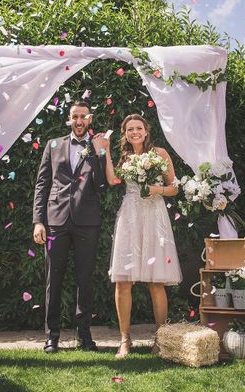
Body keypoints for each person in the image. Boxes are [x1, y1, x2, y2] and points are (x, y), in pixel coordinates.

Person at [93, 114, 182, 359]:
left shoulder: (160, 153)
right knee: (123, 281)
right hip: (130, 216)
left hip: (154, 216)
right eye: (130, 129)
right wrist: (107, 152)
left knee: (156, 282)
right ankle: (124, 340)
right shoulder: (124, 156)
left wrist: (157, 189)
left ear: (146, 130)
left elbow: (174, 187)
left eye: (138, 128)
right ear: (125, 133)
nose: (135, 132)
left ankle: (161, 339)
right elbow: (112, 180)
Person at [32, 101, 107, 353]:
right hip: (56, 222)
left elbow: (102, 185)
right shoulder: (53, 145)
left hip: (87, 222)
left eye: (83, 117)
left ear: (89, 119)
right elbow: (42, 184)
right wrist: (38, 221)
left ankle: (84, 336)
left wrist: (99, 153)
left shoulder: (97, 146)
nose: (78, 121)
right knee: (54, 279)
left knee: (85, 280)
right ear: (69, 119)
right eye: (74, 116)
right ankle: (51, 336)